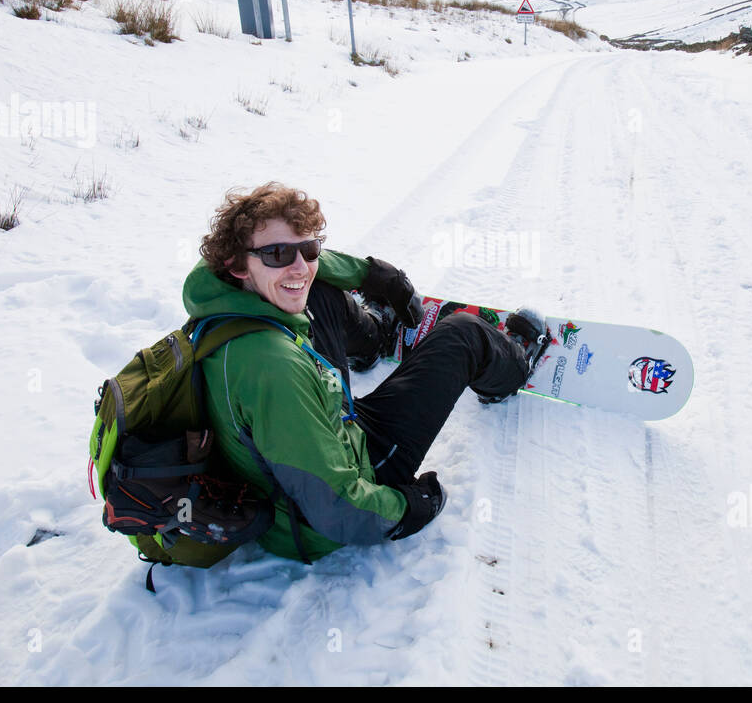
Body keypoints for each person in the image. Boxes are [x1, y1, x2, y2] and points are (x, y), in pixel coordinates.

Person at [181, 182, 545, 563]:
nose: (299, 266)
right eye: (276, 253)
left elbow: (303, 267)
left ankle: (374, 340)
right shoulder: (276, 371)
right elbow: (339, 510)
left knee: (318, 290)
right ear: (237, 264)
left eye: (308, 250)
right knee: (464, 334)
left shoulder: (217, 295)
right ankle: (512, 368)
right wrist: (409, 509)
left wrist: (372, 276)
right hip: (352, 478)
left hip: (320, 430)